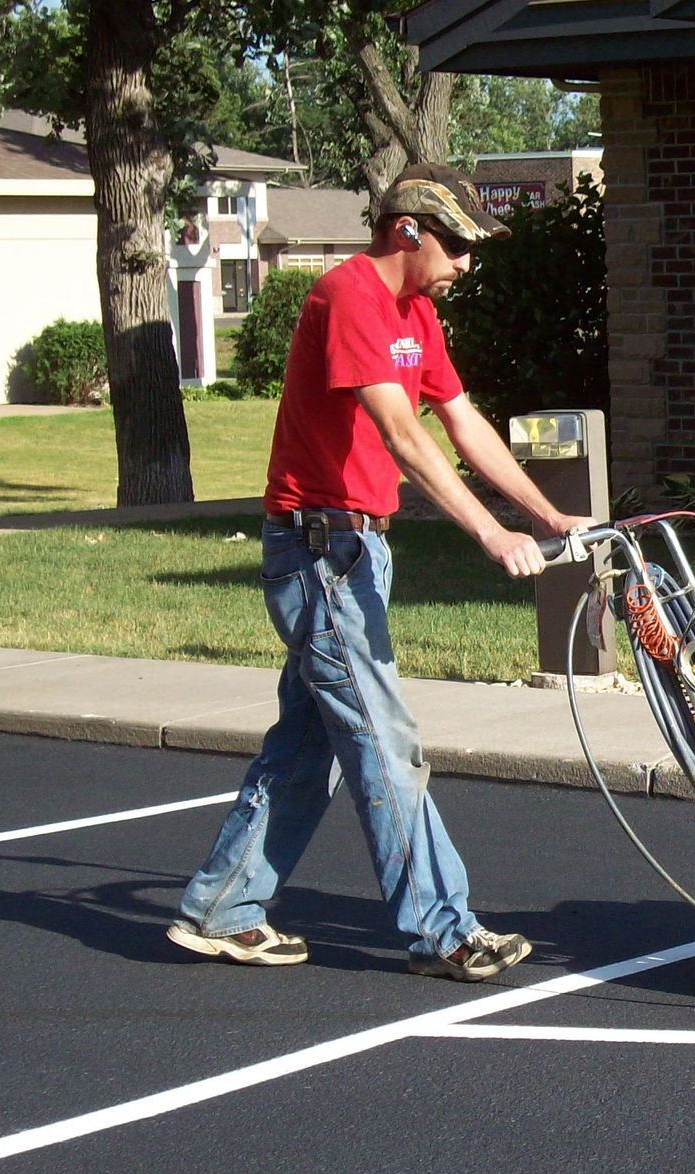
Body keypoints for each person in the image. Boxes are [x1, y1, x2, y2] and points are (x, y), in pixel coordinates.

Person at [168, 163, 593, 981]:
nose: (468, 263)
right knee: (385, 742)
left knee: (307, 746)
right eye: (458, 243)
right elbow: (402, 433)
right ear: (408, 230)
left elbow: (462, 421)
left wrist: (546, 515)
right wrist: (487, 532)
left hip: (361, 551)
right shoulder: (347, 296)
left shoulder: (417, 313)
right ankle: (445, 930)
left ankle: (221, 908)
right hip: (320, 553)